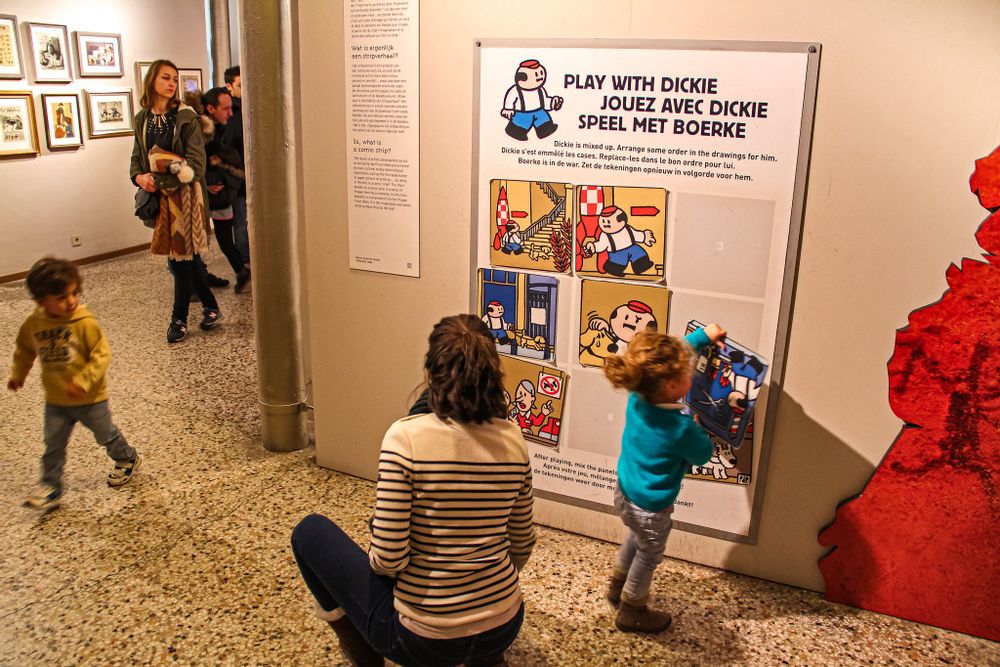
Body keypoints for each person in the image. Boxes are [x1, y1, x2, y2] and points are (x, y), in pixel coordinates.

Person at [291, 314, 535, 667]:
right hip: (504, 625)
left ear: (430, 372)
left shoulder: (404, 437)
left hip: (424, 642)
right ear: (494, 372)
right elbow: (522, 544)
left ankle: (362, 651)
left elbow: (388, 560)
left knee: (309, 532)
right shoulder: (514, 439)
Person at [602, 323, 726, 633]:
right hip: (653, 507)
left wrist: (703, 337)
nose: (692, 375)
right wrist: (698, 428)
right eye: (688, 373)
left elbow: (671, 353)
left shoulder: (638, 395)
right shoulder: (680, 429)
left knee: (636, 536)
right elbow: (703, 454)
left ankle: (617, 585)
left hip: (626, 493)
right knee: (650, 553)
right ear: (673, 386)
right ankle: (632, 608)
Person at [7, 258, 140, 511]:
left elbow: (102, 354)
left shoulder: (84, 322)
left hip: (91, 398)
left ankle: (127, 458)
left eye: (74, 293)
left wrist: (84, 379)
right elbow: (24, 350)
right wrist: (18, 374)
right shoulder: (34, 323)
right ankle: (51, 487)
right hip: (56, 400)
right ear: (40, 301)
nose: (71, 301)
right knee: (53, 445)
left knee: (105, 434)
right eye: (60, 297)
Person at [130, 59, 223, 343]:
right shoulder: (142, 118)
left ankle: (179, 319)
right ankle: (211, 307)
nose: (171, 84)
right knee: (186, 258)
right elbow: (137, 159)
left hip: (186, 200)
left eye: (174, 79)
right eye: (165, 78)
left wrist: (159, 179)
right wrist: (140, 179)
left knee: (180, 260)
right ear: (152, 81)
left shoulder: (186, 117)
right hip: (161, 201)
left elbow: (196, 165)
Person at [201, 87, 251, 293]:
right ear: (211, 108)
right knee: (216, 239)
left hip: (222, 195)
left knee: (224, 238)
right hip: (211, 195)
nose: (230, 113)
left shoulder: (226, 129)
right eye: (226, 108)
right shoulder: (201, 132)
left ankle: (240, 270)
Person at [223, 65, 249, 266]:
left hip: (246, 175)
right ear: (229, 86)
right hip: (237, 178)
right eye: (241, 84)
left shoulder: (247, 107)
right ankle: (245, 261)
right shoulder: (229, 113)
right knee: (240, 221)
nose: (246, 87)